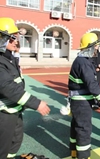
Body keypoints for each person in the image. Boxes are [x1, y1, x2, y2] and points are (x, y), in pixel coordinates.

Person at [0, 17, 50, 159]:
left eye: (15, 37)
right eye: (11, 38)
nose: (15, 41)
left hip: (13, 110)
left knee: (14, 142)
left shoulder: (8, 57)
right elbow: (8, 87)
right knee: (2, 147)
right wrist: (36, 103)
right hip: (3, 113)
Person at [68, 32, 100, 159]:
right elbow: (92, 85)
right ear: (89, 48)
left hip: (77, 100)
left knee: (76, 126)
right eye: (95, 48)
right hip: (82, 101)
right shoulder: (83, 62)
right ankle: (83, 156)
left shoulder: (82, 60)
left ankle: (74, 151)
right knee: (84, 128)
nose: (97, 50)